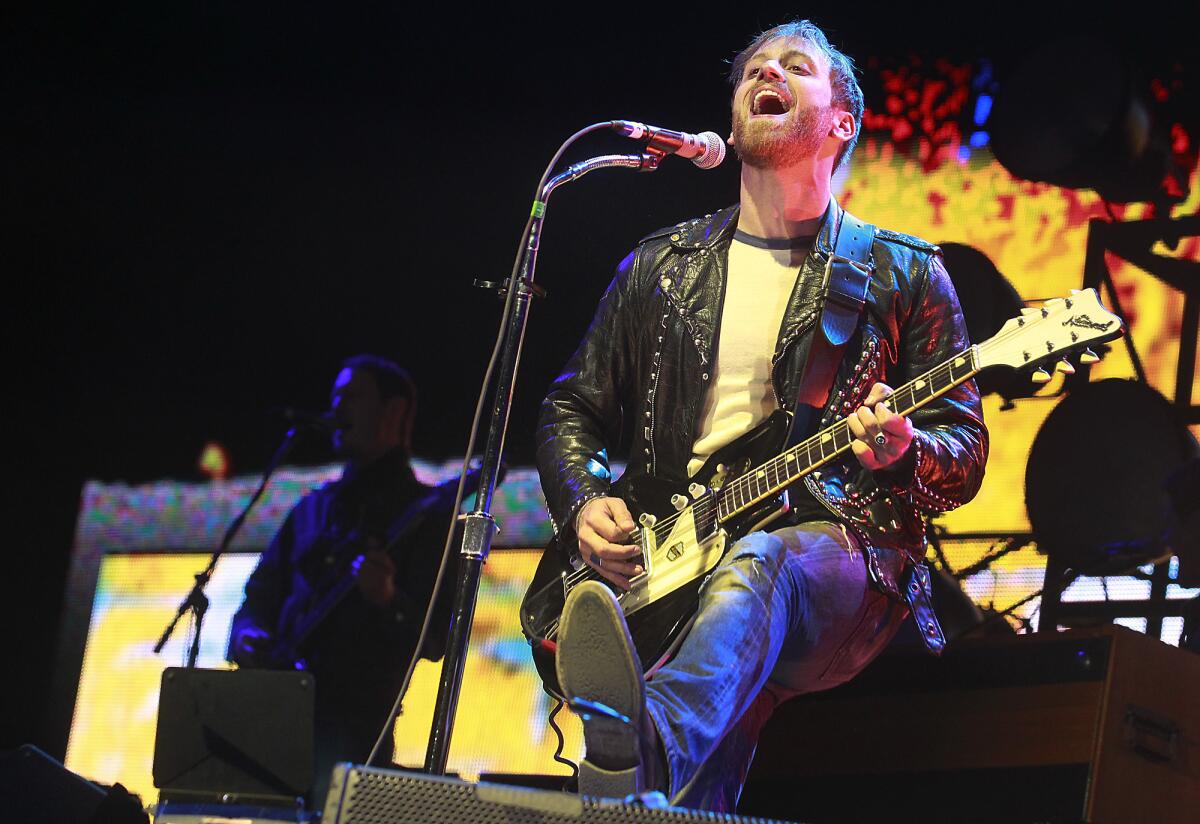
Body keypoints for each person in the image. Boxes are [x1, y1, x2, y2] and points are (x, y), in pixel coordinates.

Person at [535, 19, 988, 812]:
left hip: (844, 555)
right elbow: (570, 404)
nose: (765, 73)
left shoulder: (903, 271)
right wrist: (583, 502)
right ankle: (647, 790)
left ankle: (648, 741)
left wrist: (904, 450)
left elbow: (966, 450)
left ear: (842, 121)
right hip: (680, 556)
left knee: (763, 564)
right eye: (752, 69)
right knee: (700, 782)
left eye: (795, 66)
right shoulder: (660, 267)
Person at [228, 354, 452, 807]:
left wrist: (388, 599)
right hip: (276, 722)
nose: (336, 406)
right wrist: (248, 633)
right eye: (334, 395)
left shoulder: (427, 515)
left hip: (356, 738)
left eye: (351, 396)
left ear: (392, 412)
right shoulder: (312, 508)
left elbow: (435, 640)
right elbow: (259, 598)